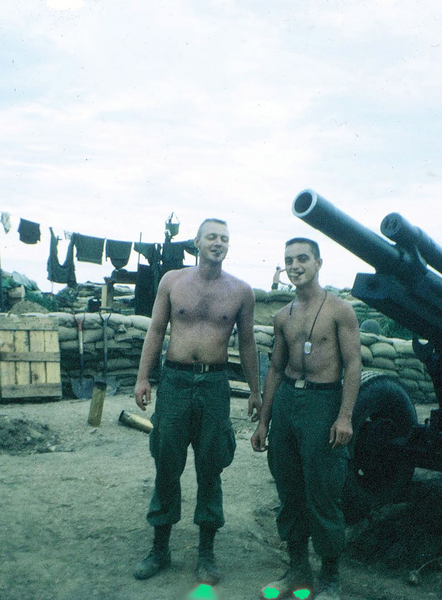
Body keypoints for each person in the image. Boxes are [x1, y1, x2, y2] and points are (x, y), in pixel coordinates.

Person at [133, 218, 262, 585]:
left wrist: (255, 389)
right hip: (174, 381)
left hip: (215, 384)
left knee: (211, 465)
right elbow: (156, 330)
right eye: (211, 237)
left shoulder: (240, 291)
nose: (218, 243)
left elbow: (248, 343)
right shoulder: (172, 281)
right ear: (197, 242)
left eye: (224, 238)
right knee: (167, 462)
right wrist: (144, 377)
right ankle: (160, 548)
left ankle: (206, 554)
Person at [251, 238, 362, 600]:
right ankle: (298, 573)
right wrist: (264, 421)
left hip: (322, 401)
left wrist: (345, 416)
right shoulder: (283, 315)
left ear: (318, 263)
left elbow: (353, 364)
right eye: (288, 260)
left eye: (302, 259)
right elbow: (275, 369)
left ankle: (330, 577)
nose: (294, 265)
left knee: (323, 491)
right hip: (287, 402)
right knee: (289, 489)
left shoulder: (339, 310)